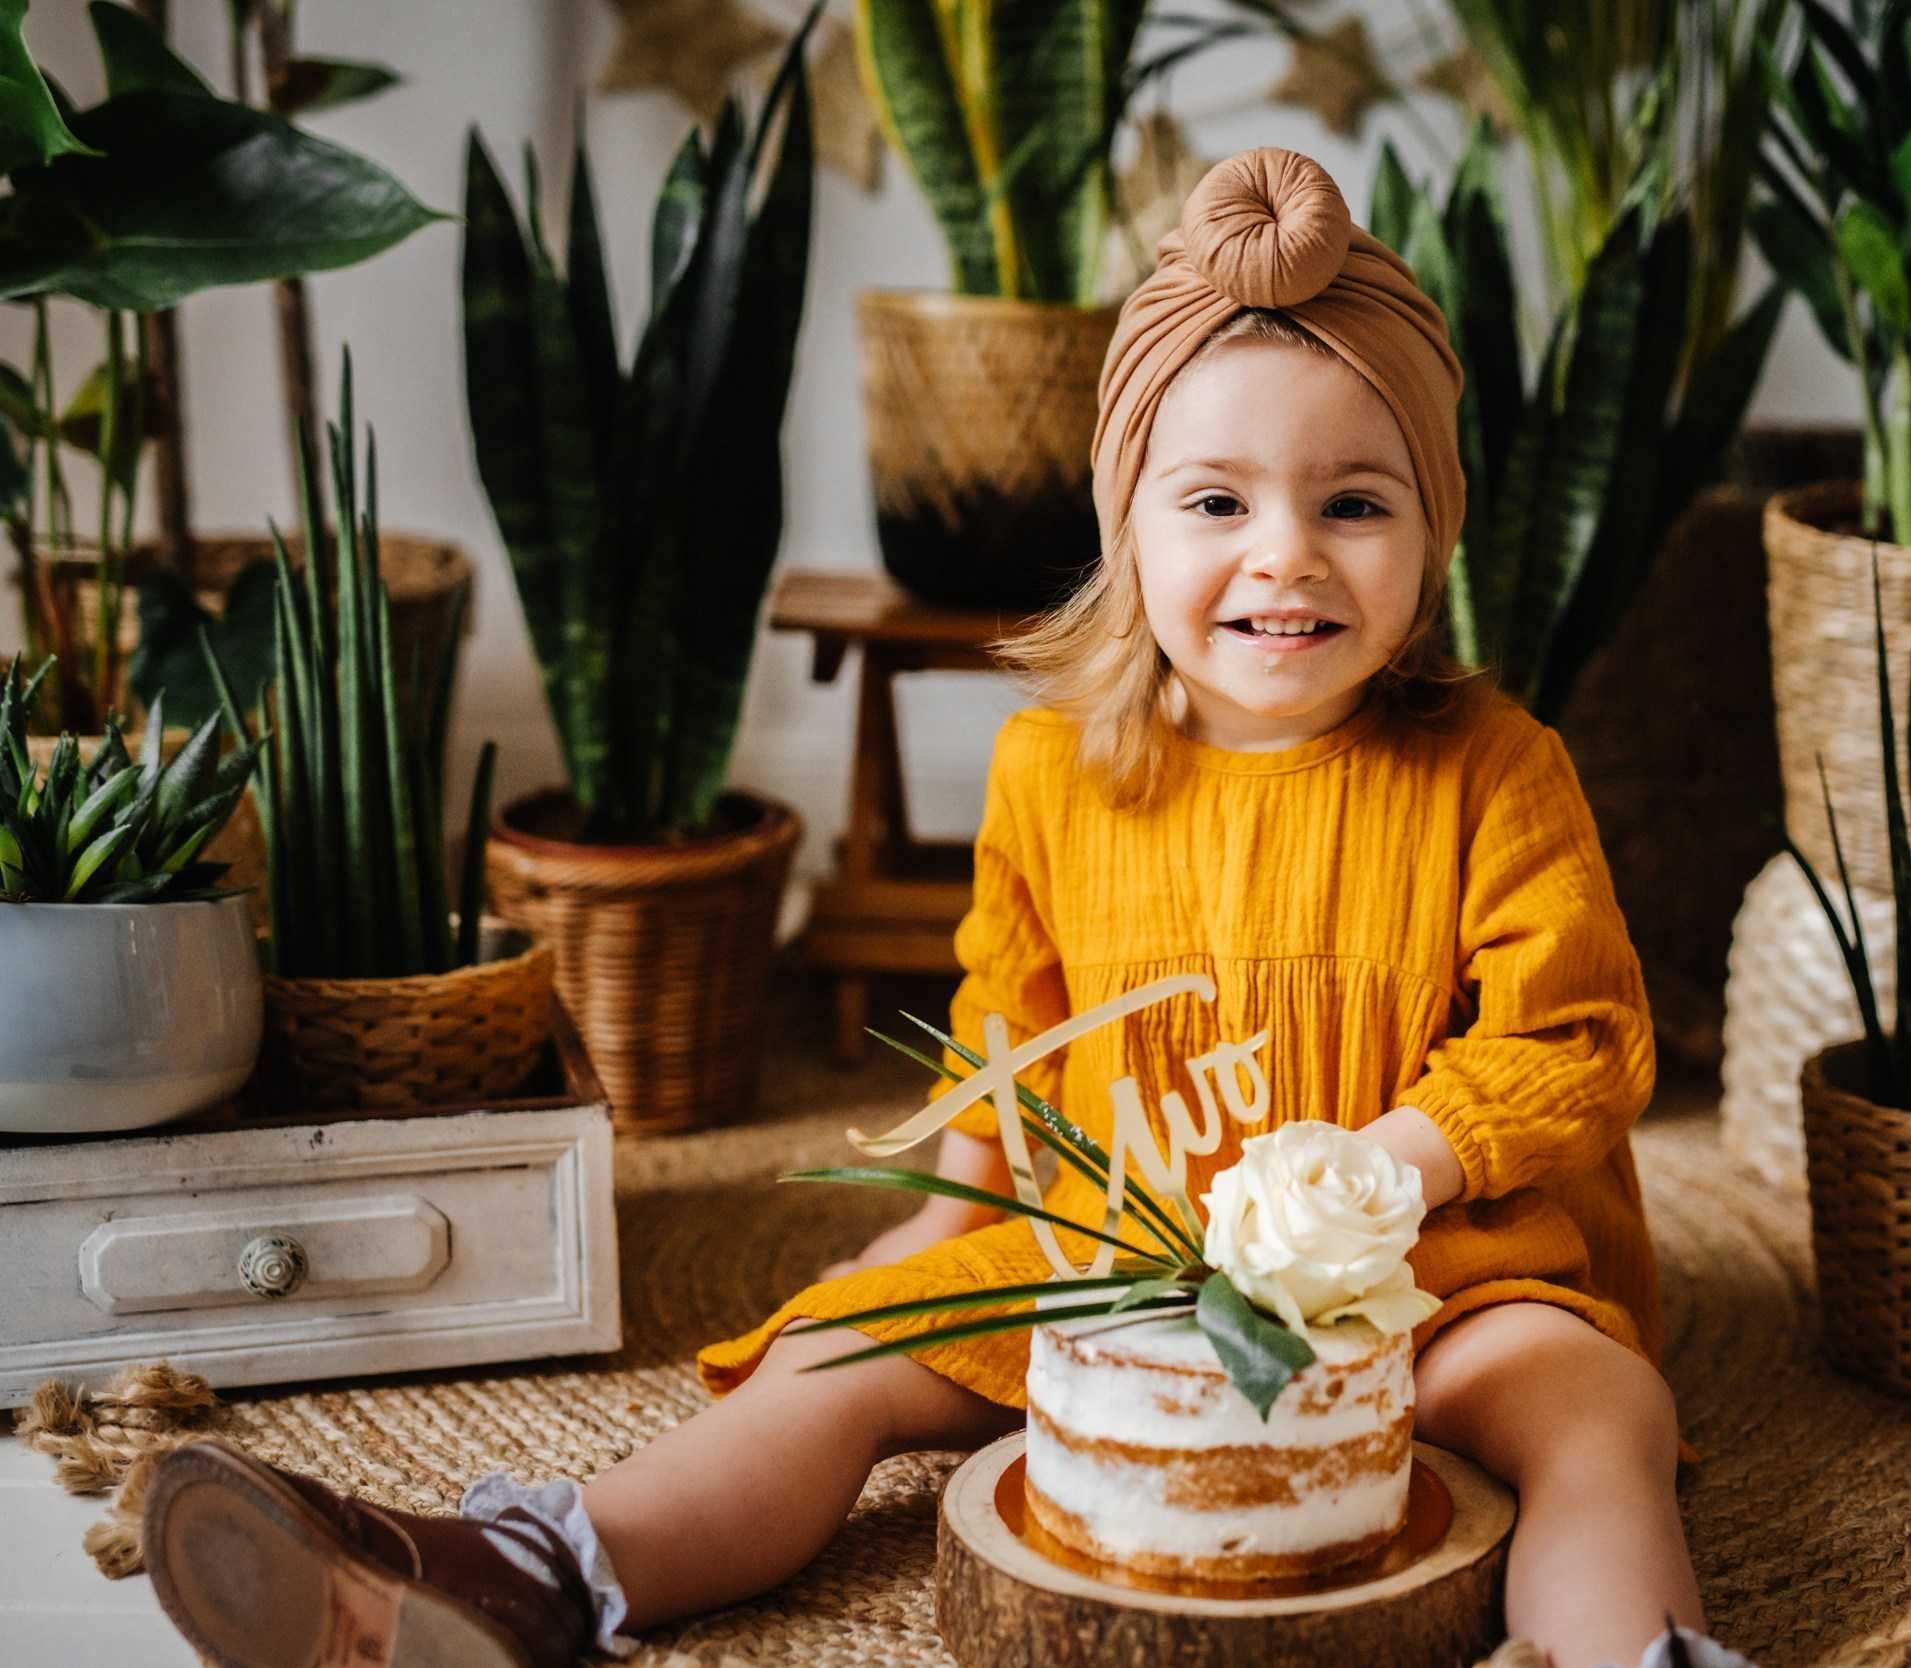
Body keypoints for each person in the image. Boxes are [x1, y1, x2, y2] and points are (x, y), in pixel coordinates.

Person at [142, 148, 1744, 1668]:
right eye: (1216, 504)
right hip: (1121, 1265)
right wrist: (940, 1228)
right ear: (1128, 521)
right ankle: (523, 1575)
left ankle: (1637, 1649)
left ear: (1433, 529)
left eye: (1354, 503)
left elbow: (1580, 1041)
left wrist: (1380, 1174)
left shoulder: (1493, 766)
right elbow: (1018, 1034)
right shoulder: (1058, 771)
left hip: (1448, 1271)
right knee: (827, 1361)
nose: (1285, 557)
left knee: (1595, 1416)